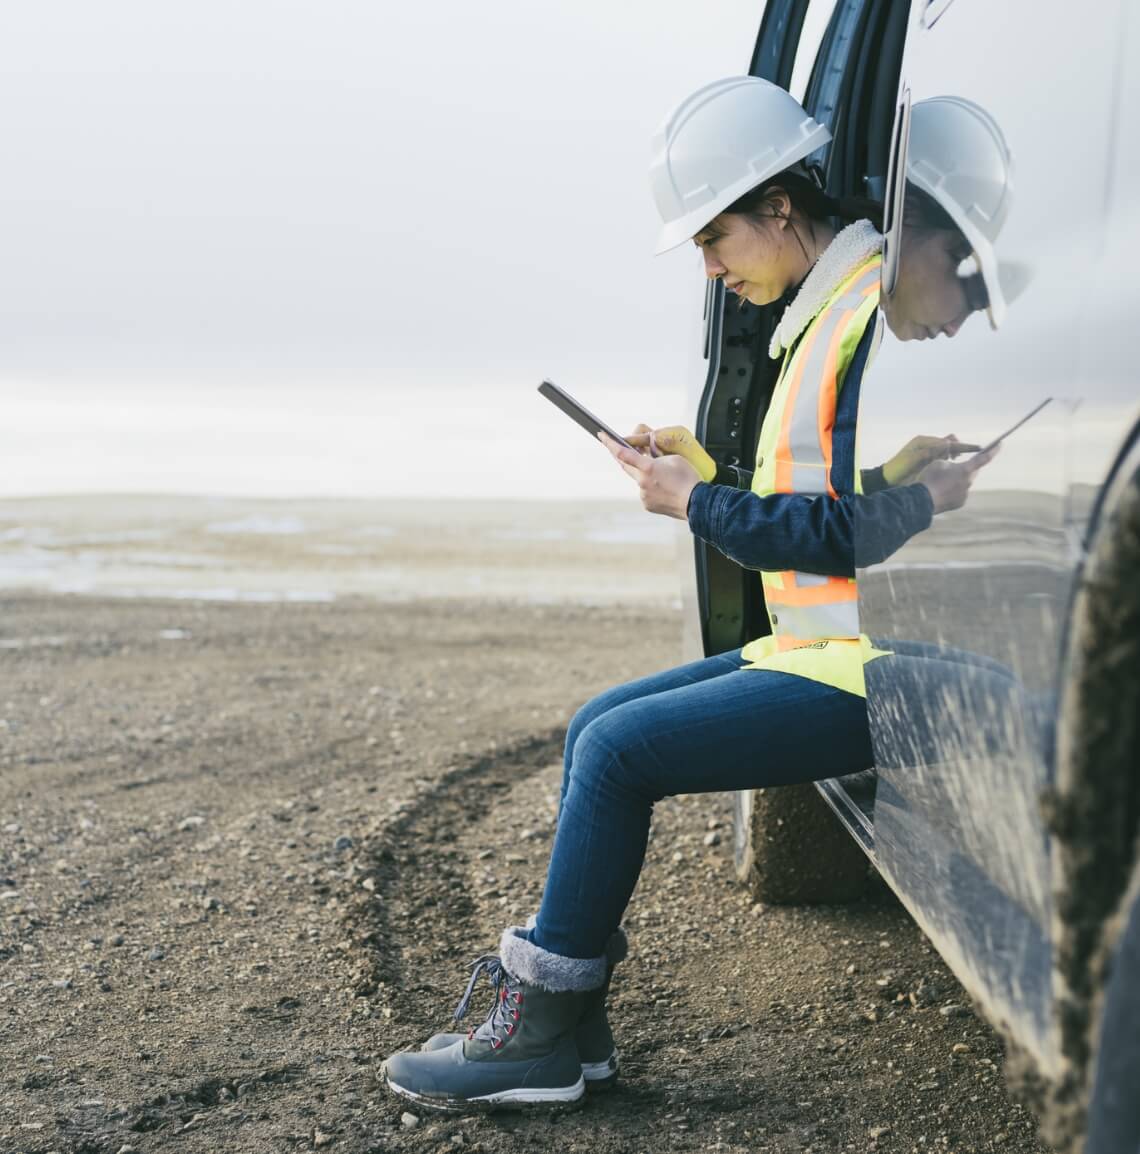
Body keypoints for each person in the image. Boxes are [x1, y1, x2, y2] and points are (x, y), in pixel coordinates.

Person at [380, 77, 992, 1113]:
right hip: (817, 642)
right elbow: (834, 504)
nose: (710, 266)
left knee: (620, 754)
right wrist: (711, 468)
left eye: (716, 238)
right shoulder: (826, 305)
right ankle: (571, 1032)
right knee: (594, 725)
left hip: (866, 659)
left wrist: (697, 500)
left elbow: (845, 537)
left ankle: (540, 1028)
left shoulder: (861, 309)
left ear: (780, 208)